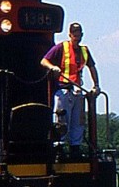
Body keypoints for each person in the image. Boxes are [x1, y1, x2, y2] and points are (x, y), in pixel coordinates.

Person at [41, 22, 99, 150]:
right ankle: (59, 148)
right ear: (70, 35)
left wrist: (96, 85)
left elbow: (92, 67)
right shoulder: (61, 47)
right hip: (63, 90)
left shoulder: (84, 51)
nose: (77, 38)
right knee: (61, 120)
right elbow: (44, 61)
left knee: (78, 122)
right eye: (74, 35)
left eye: (79, 35)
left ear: (82, 35)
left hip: (77, 91)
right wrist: (53, 67)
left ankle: (75, 148)